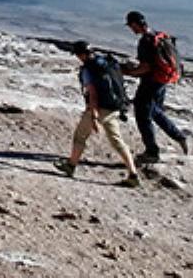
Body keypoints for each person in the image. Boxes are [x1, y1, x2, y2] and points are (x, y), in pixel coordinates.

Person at [53, 41, 140, 187]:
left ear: (81, 54)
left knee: (80, 136)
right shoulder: (107, 62)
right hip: (115, 107)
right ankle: (133, 174)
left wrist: (93, 114)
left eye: (77, 55)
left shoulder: (89, 69)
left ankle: (71, 165)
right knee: (117, 140)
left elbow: (92, 93)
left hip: (100, 108)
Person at [122, 10, 191, 164]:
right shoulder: (159, 35)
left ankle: (152, 152)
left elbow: (146, 67)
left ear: (135, 24)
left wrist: (130, 72)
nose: (131, 29)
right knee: (154, 110)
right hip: (163, 79)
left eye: (130, 26)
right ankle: (179, 136)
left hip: (151, 81)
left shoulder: (145, 41)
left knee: (142, 114)